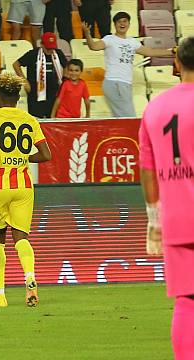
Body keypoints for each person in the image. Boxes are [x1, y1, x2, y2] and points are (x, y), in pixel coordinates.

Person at [139, 36, 194, 360]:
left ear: (177, 64)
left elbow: (147, 170)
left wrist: (154, 220)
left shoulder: (154, 108)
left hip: (176, 218)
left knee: (187, 301)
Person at [0, 73, 52, 308]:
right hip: (23, 185)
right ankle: (30, 277)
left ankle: (0, 295)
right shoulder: (30, 120)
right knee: (21, 237)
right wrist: (24, 157)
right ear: (18, 98)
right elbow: (46, 155)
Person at [82, 12, 175, 118]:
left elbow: (151, 52)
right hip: (114, 82)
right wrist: (88, 34)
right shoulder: (109, 39)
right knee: (129, 117)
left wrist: (172, 52)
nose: (122, 24)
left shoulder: (133, 42)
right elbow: (93, 46)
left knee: (121, 118)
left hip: (125, 84)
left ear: (129, 24)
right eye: (119, 21)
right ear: (115, 24)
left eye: (125, 21)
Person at [13, 31, 68, 118]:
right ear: (41, 44)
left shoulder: (58, 53)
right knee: (36, 121)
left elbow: (66, 66)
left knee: (52, 120)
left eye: (52, 48)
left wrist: (64, 81)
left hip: (53, 93)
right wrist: (24, 81)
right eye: (48, 48)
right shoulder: (33, 54)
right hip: (36, 94)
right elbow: (16, 64)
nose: (50, 51)